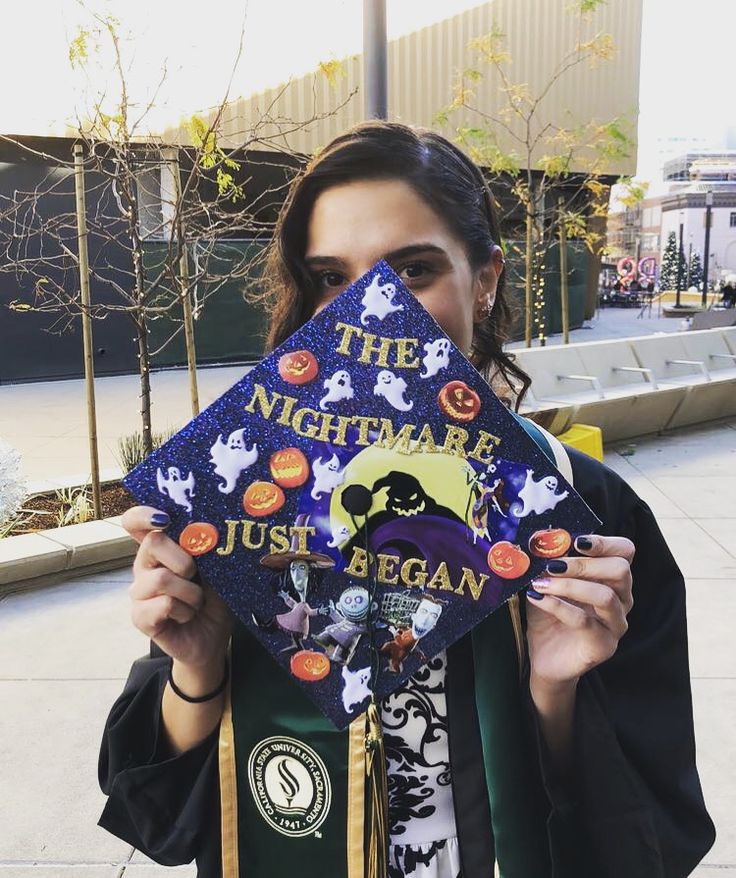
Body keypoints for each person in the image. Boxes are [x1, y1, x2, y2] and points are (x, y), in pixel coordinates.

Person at [98, 122, 714, 878]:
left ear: (484, 279)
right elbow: (153, 821)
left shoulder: (580, 515)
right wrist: (198, 666)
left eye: (412, 269)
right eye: (331, 276)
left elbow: (653, 838)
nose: (369, 311)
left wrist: (556, 691)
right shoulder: (256, 491)